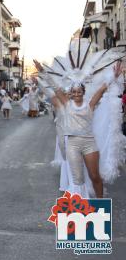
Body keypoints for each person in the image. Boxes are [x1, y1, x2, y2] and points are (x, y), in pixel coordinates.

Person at [35, 60, 122, 198]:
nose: (76, 94)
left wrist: (113, 76)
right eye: (74, 91)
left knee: (94, 176)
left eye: (79, 91)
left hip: (89, 143)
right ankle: (80, 207)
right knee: (77, 179)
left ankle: (100, 205)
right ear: (71, 92)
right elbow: (55, 87)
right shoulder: (66, 103)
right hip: (72, 144)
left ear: (83, 92)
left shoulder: (90, 104)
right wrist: (42, 72)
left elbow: (101, 90)